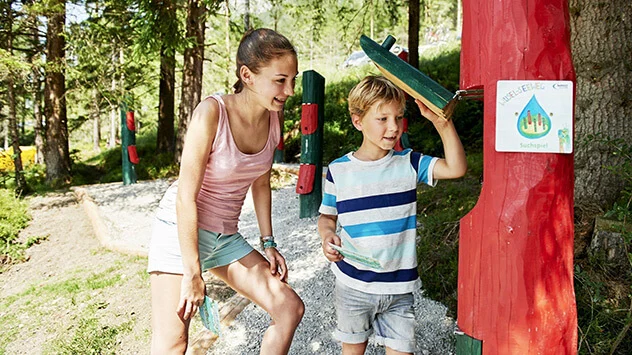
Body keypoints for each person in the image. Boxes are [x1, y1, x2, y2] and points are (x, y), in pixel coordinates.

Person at [147, 28, 304, 354]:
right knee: (173, 343)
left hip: (224, 237)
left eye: (293, 79)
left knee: (289, 307)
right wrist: (193, 272)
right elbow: (185, 196)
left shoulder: (274, 117)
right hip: (180, 233)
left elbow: (261, 181)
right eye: (280, 80)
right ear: (247, 75)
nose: (289, 90)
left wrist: (269, 242)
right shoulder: (212, 113)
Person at [318, 75, 467, 354]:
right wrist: (327, 236)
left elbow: (457, 168)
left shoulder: (409, 162)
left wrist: (442, 124)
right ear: (357, 121)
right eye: (383, 119)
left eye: (398, 118)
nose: (393, 127)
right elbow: (328, 217)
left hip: (399, 290)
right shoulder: (338, 170)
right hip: (353, 286)